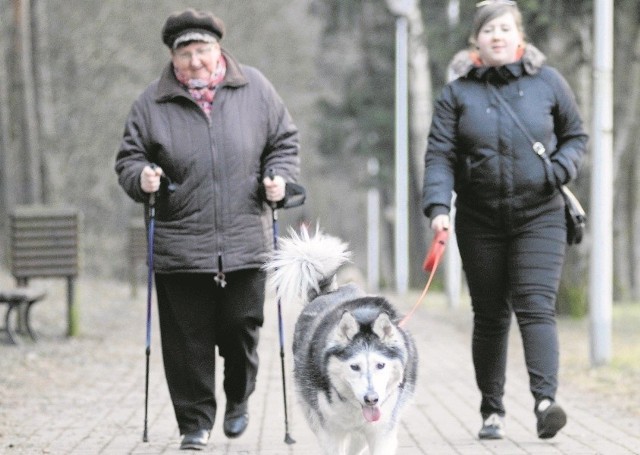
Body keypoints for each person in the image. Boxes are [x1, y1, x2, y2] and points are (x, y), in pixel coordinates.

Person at [115, 8, 300, 450]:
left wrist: (278, 178)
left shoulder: (256, 89)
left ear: (219, 49)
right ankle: (194, 423)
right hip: (180, 242)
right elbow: (128, 158)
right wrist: (141, 178)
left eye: (203, 50)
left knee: (242, 327)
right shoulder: (150, 103)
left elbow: (284, 142)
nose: (195, 61)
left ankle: (239, 395)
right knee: (186, 343)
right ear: (172, 58)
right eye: (185, 53)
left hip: (245, 240)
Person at [422, 0, 587, 441]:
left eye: (505, 29)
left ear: (520, 37)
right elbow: (440, 155)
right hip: (480, 219)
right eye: (489, 30)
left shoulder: (548, 82)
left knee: (536, 306)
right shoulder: (456, 93)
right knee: (491, 316)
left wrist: (559, 169)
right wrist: (438, 209)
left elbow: (575, 136)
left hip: (540, 214)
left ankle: (545, 402)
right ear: (476, 39)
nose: (497, 36)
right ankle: (492, 410)